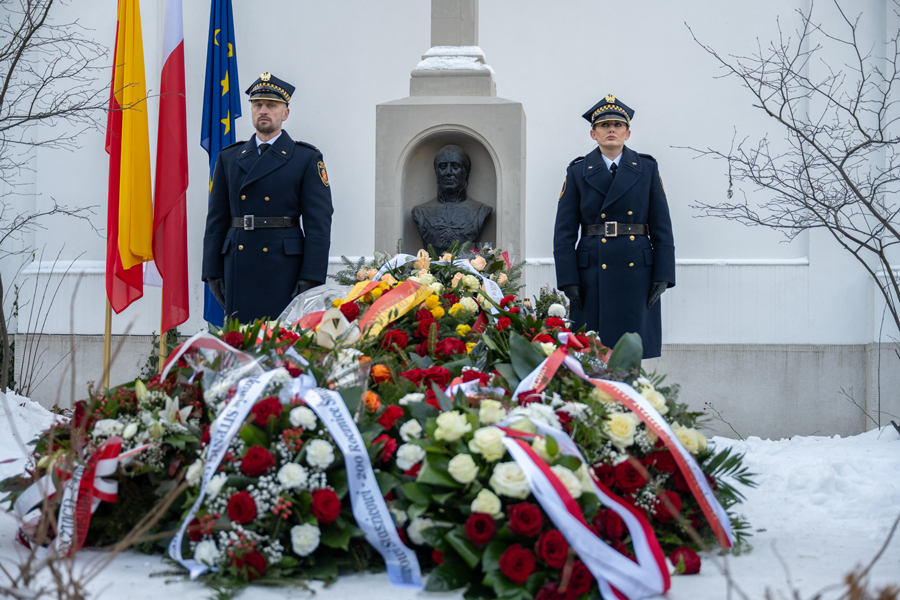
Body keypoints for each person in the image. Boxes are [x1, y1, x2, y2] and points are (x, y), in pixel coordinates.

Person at [202, 73, 333, 323]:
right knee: (241, 343)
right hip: (238, 264)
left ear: (285, 113)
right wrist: (211, 270)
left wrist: (312, 276)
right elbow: (216, 219)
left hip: (285, 268)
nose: (263, 110)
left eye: (271, 105)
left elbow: (319, 223)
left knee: (282, 345)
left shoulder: (305, 158)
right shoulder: (229, 157)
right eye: (257, 104)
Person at [553, 95, 675, 359]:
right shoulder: (577, 171)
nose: (611, 130)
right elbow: (563, 233)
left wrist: (664, 274)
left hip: (638, 273)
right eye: (605, 125)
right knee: (591, 356)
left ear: (627, 133)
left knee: (630, 358)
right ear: (593, 133)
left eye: (617, 125)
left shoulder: (647, 168)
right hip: (592, 274)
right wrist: (568, 279)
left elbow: (662, 228)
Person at [412, 144, 492, 254]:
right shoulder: (420, 213)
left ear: (466, 172)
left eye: (455, 167)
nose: (449, 172)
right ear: (436, 172)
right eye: (443, 167)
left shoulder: (481, 211)